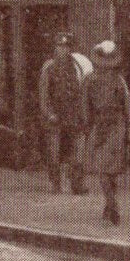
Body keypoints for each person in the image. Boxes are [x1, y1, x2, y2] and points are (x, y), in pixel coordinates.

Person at [81, 39, 130, 225]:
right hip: (102, 124)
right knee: (104, 168)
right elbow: (85, 104)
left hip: (116, 124)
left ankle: (110, 204)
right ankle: (112, 204)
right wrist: (87, 125)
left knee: (109, 169)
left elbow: (126, 103)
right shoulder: (90, 79)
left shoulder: (118, 80)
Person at [38, 33, 88, 195]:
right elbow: (43, 94)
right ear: (55, 48)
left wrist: (83, 113)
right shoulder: (49, 67)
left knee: (78, 151)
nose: (62, 50)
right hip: (55, 114)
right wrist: (49, 113)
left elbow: (82, 89)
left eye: (66, 47)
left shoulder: (77, 66)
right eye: (60, 47)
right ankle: (55, 182)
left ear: (70, 49)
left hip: (74, 114)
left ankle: (76, 183)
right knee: (54, 151)